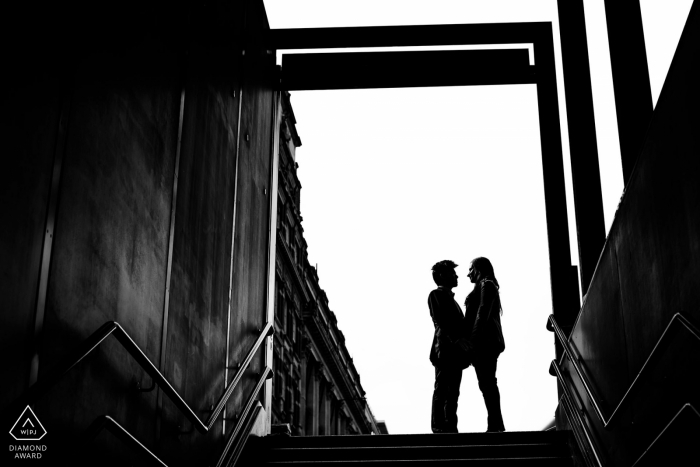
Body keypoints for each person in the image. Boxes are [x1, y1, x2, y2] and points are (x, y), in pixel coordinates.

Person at [464, 257, 506, 432]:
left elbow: (482, 314)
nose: (468, 274)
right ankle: (495, 424)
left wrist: (472, 342)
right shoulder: (485, 285)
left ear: (479, 268)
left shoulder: (486, 285)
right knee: (487, 384)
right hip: (485, 341)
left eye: (471, 269)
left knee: (487, 384)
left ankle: (495, 425)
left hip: (484, 343)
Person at [428, 260, 470, 433]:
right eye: (452, 273)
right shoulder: (435, 295)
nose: (456, 276)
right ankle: (438, 426)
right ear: (442, 276)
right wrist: (457, 340)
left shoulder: (453, 301)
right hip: (445, 350)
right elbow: (441, 322)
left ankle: (450, 426)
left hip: (455, 352)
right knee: (443, 389)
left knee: (453, 392)